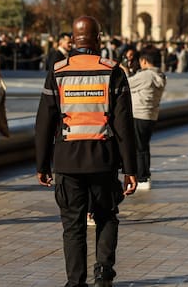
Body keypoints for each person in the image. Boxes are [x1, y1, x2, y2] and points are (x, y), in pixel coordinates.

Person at [34, 16, 137, 287]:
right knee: (106, 216)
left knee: (72, 225)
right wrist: (131, 168)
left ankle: (75, 280)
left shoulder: (57, 72)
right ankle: (103, 271)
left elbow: (44, 123)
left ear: (73, 40)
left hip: (67, 161)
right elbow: (124, 124)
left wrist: (42, 165)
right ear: (98, 39)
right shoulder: (113, 71)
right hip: (103, 159)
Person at [128, 45, 166, 190]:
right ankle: (145, 176)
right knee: (144, 147)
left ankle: (142, 178)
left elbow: (127, 84)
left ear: (144, 61)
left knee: (139, 148)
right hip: (150, 115)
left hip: (138, 114)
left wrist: (125, 72)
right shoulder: (160, 75)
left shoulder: (146, 75)